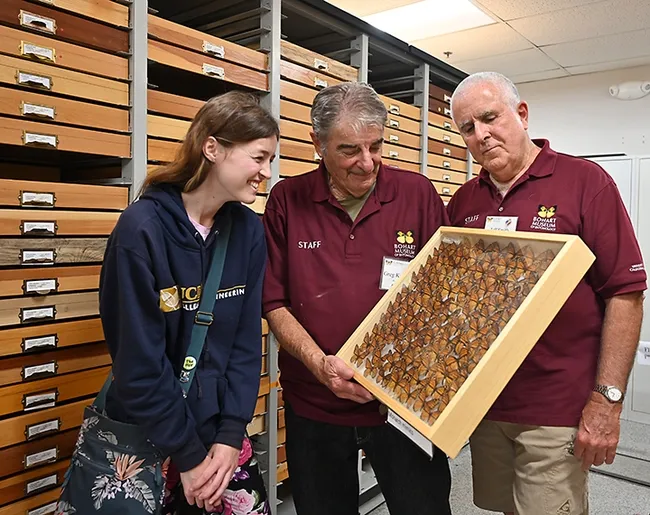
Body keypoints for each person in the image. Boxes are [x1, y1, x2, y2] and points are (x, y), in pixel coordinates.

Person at [447, 71, 647, 515]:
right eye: (467, 127)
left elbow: (626, 293)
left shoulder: (584, 182)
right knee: (504, 507)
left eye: (489, 117)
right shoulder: (464, 203)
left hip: (559, 406)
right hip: (489, 404)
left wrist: (606, 401)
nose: (481, 135)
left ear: (521, 114)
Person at [262, 82, 452, 515]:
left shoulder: (417, 194)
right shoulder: (287, 200)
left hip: (405, 405)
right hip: (314, 400)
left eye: (376, 146)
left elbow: (444, 294)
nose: (367, 163)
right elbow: (274, 302)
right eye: (349, 150)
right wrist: (321, 366)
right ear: (317, 143)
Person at [98, 91, 277, 514]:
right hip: (152, 435)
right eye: (258, 157)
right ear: (212, 148)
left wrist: (232, 434)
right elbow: (138, 364)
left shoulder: (248, 232)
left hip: (222, 439)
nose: (266, 172)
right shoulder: (141, 230)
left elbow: (246, 345)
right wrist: (189, 456)